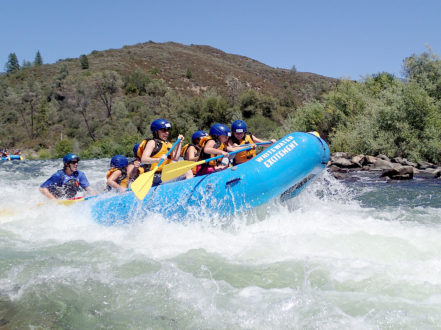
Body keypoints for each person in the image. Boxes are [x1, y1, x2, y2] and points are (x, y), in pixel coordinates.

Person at [135, 118, 184, 186]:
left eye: (168, 130)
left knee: (187, 171)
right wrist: (158, 159)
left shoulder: (168, 144)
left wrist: (179, 143)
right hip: (154, 176)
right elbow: (144, 159)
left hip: (165, 173)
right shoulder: (152, 143)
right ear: (156, 132)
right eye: (164, 130)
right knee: (187, 172)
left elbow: (175, 158)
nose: (167, 133)